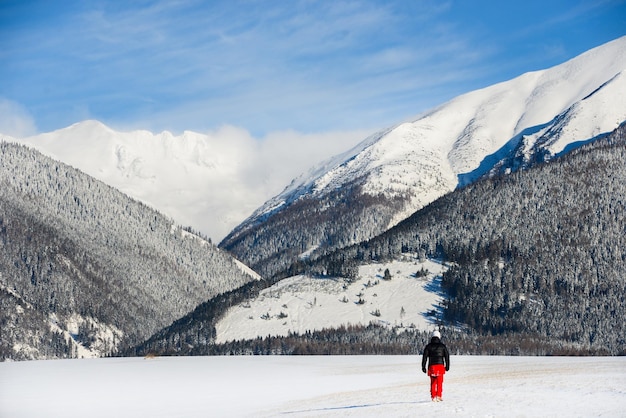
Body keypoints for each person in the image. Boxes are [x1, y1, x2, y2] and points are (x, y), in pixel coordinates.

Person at [421, 330, 450, 402]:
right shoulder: (442, 346)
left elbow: (424, 357)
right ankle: (439, 396)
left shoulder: (428, 346)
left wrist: (423, 366)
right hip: (440, 366)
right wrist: (447, 366)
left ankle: (433, 396)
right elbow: (447, 356)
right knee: (440, 382)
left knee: (433, 382)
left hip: (432, 366)